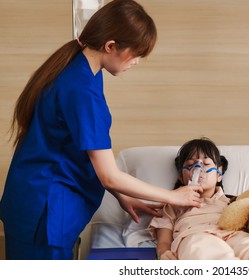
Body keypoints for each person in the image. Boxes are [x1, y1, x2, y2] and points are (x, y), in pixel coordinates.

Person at [0, 0, 202, 260]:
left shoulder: (78, 69)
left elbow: (82, 150)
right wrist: (174, 197)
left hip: (34, 199)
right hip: (45, 210)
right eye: (136, 53)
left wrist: (122, 196)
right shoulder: (82, 90)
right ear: (111, 46)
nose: (138, 62)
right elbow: (109, 175)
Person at [148, 137, 249, 260]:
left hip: (232, 234)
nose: (198, 168)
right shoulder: (173, 204)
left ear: (219, 174)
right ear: (181, 177)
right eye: (190, 165)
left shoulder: (234, 201)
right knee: (201, 248)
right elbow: (164, 241)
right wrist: (164, 252)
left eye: (206, 164)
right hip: (195, 235)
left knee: (248, 243)